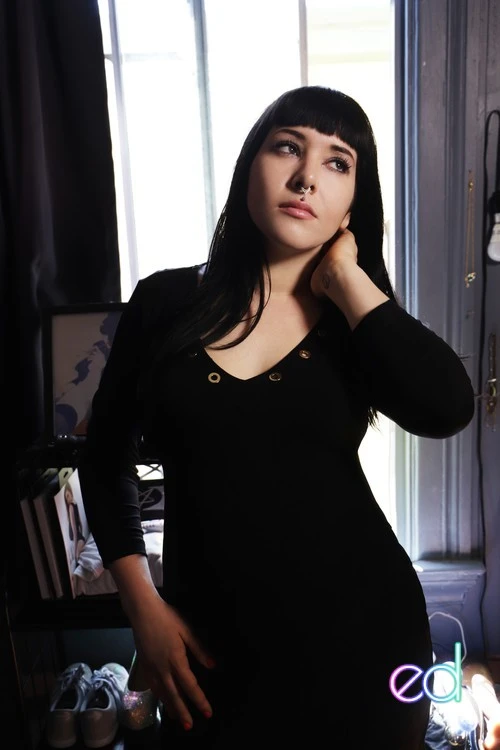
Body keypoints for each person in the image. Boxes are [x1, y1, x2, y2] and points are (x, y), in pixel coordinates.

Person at [78, 85, 475, 748]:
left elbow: (450, 408)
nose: (306, 177)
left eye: (338, 162)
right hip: (208, 653)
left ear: (354, 202)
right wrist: (141, 604)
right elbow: (103, 459)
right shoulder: (164, 303)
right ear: (250, 166)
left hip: (364, 640)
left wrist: (346, 278)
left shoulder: (357, 321)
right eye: (288, 147)